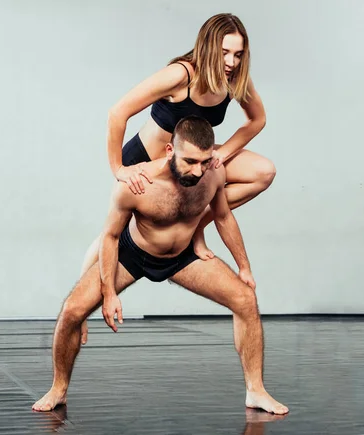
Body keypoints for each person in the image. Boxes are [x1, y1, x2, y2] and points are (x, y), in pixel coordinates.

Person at [32, 116, 288, 415]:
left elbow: (223, 217)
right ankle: (58, 388)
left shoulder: (213, 175)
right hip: (133, 254)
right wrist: (109, 293)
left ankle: (255, 391)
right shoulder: (137, 183)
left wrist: (244, 267)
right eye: (190, 160)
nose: (197, 170)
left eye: (204, 161)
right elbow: (111, 237)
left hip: (183, 257)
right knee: (73, 310)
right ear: (169, 151)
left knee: (245, 299)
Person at [80, 12, 274, 344]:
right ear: (208, 47)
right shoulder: (181, 75)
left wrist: (222, 154)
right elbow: (118, 112)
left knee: (263, 172)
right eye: (225, 52)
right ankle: (80, 309)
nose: (231, 61)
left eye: (238, 54)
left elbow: (257, 120)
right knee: (109, 238)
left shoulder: (233, 80)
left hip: (191, 163)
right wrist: (118, 170)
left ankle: (197, 226)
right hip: (148, 162)